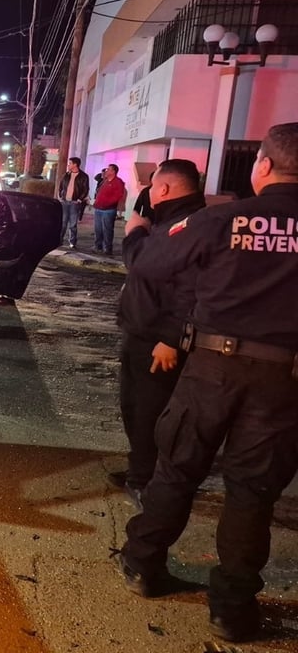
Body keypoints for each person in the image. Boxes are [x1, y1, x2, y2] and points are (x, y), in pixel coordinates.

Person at [117, 122, 298, 644]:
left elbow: (149, 266)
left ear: (262, 166)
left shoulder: (221, 220)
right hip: (284, 381)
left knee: (176, 470)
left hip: (213, 368)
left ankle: (142, 565)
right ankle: (232, 610)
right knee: (252, 493)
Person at [112, 159, 205, 510]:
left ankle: (145, 481)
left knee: (152, 412)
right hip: (140, 332)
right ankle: (140, 469)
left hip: (159, 341)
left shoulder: (189, 226)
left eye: (150, 188)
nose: (147, 194)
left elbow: (190, 288)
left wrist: (171, 337)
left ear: (163, 189)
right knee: (134, 408)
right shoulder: (170, 222)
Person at [92, 163, 126, 255]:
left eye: (108, 169)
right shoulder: (105, 181)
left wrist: (107, 204)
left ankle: (107, 248)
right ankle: (98, 246)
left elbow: (118, 195)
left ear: (113, 171)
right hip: (99, 208)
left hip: (108, 210)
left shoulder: (118, 182)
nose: (106, 171)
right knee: (98, 229)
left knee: (107, 229)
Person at [57, 156, 89, 249]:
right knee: (63, 223)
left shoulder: (83, 176)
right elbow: (61, 186)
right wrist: (60, 196)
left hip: (75, 203)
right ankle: (59, 241)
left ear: (75, 164)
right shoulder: (66, 175)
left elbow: (85, 189)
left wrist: (79, 199)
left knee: (73, 224)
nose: (68, 165)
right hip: (65, 202)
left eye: (70, 163)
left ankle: (72, 242)